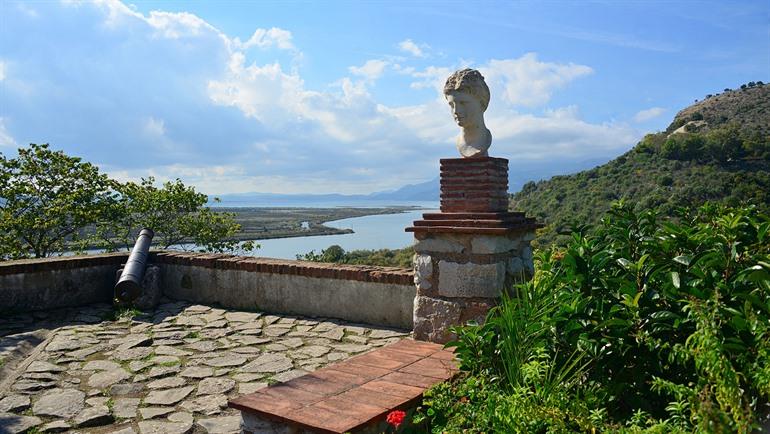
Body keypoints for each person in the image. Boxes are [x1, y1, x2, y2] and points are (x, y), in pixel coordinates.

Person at [443, 68, 492, 158]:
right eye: (452, 105)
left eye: (463, 103)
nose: (456, 111)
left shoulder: (484, 140)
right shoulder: (459, 141)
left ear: (482, 103)